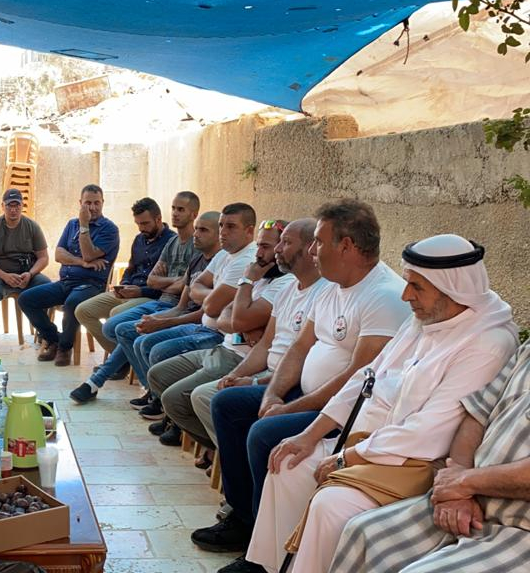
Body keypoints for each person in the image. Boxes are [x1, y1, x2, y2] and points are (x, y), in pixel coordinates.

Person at [240, 234, 518, 573]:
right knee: (286, 463)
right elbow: (366, 377)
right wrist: (310, 435)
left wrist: (344, 458)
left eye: (417, 286)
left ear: (452, 289)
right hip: (365, 446)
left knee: (331, 505)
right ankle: (273, 568)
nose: (406, 295)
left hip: (409, 463)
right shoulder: (426, 319)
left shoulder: (488, 342)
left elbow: (427, 432)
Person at [191, 199, 411, 559]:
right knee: (228, 404)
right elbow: (299, 347)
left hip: (345, 415)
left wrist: (289, 407)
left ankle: (265, 550)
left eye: (319, 242)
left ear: (346, 246)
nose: (312, 251)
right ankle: (243, 518)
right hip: (306, 394)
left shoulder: (384, 296)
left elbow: (356, 379)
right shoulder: (332, 287)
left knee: (264, 433)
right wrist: (271, 394)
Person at [330, 336, 530, 573]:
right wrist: (457, 486)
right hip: (471, 497)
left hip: (519, 527)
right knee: (362, 534)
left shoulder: (490, 340)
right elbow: (477, 415)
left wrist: (464, 482)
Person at [170, 219, 326, 452]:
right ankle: (228, 454)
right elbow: (260, 341)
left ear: (309, 249)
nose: (274, 251)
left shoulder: (313, 290)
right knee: (195, 389)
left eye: (283, 243)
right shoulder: (288, 289)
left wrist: (246, 281)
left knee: (209, 398)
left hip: (281, 378)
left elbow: (235, 320)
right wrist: (235, 375)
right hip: (250, 361)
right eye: (263, 245)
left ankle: (233, 456)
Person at [145, 219, 292, 446]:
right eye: (259, 246)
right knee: (157, 373)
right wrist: (244, 322)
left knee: (177, 396)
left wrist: (246, 282)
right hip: (222, 346)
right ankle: (215, 444)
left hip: (240, 357)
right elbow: (223, 316)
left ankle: (223, 449)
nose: (258, 253)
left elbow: (229, 315)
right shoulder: (259, 275)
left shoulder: (279, 281)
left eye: (266, 247)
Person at [134, 202, 259, 420]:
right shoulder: (223, 254)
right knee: (138, 337)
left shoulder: (246, 260)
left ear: (249, 231)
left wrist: (207, 297)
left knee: (157, 350)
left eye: (231, 226)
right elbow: (194, 287)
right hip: (202, 325)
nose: (223, 232)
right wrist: (213, 295)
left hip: (217, 335)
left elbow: (209, 306)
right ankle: (161, 402)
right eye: (221, 225)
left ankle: (170, 414)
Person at [68, 193, 196, 402]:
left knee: (119, 321)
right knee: (85, 311)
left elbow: (182, 285)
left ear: (158, 219)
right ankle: (125, 359)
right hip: (141, 292)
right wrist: (125, 285)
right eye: (174, 208)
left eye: (180, 209)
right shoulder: (158, 242)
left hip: (154, 298)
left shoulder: (182, 242)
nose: (175, 213)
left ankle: (100, 382)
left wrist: (147, 288)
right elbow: (148, 276)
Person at [19, 184, 120, 367]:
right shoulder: (71, 224)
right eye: (88, 203)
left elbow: (88, 254)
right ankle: (54, 339)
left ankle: (65, 348)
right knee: (26, 299)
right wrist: (82, 263)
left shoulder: (109, 229)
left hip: (91, 285)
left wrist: (84, 226)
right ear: (80, 203)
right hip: (66, 282)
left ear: (103, 203)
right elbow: (58, 254)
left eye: (97, 203)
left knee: (72, 302)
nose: (92, 207)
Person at [0, 189, 51, 349]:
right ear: (2, 206)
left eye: (17, 205)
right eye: (9, 206)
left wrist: (30, 273)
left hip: (27, 274)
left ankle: (44, 331)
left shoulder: (32, 227)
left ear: (22, 206)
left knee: (46, 285)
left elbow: (44, 257)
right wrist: (5, 276)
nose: (13, 210)